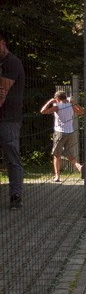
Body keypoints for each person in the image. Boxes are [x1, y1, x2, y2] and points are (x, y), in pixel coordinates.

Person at [0, 33, 25, 210]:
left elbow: (2, 93)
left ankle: (16, 197)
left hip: (8, 119)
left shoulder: (11, 62)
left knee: (12, 158)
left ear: (3, 43)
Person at [39, 91, 84, 182]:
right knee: (69, 153)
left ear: (57, 98)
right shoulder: (70, 105)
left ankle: (57, 176)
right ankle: (79, 167)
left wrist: (49, 102)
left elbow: (43, 111)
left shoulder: (57, 106)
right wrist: (75, 103)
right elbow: (82, 112)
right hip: (70, 132)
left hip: (60, 132)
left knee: (57, 155)